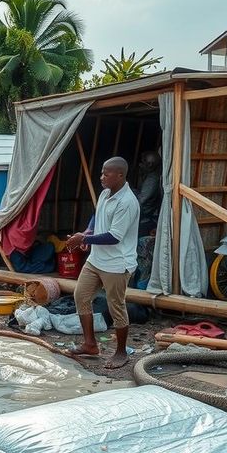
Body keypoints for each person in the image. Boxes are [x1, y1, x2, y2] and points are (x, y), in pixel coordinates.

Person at [66, 157, 140, 369]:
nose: (101, 177)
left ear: (120, 175)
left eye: (105, 174)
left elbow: (115, 236)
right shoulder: (107, 193)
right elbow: (97, 216)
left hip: (117, 263)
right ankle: (90, 344)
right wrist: (88, 232)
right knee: (81, 295)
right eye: (101, 173)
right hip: (96, 260)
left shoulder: (127, 202)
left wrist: (84, 239)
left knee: (116, 306)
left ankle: (121, 351)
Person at [135, 151, 162, 235]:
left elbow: (141, 201)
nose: (140, 164)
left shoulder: (152, 180)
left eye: (143, 162)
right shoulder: (149, 176)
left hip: (146, 215)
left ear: (149, 165)